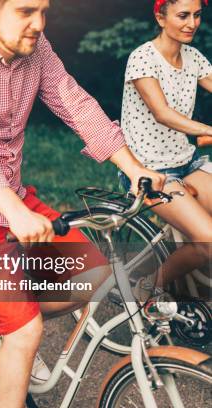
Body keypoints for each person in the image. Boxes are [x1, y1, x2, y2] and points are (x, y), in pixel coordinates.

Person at [0, 0, 165, 406]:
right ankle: (14, 329)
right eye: (26, 11)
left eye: (44, 11)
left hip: (14, 202)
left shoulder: (36, 49)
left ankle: (8, 320)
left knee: (95, 280)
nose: (38, 23)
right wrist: (13, 210)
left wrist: (134, 168)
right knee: (26, 331)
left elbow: (76, 104)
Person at [120, 0, 212, 298]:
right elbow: (163, 113)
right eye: (183, 15)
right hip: (149, 171)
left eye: (197, 15)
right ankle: (146, 287)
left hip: (187, 163)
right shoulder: (143, 58)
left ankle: (194, 282)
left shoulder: (193, 57)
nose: (192, 23)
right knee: (207, 241)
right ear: (161, 18)